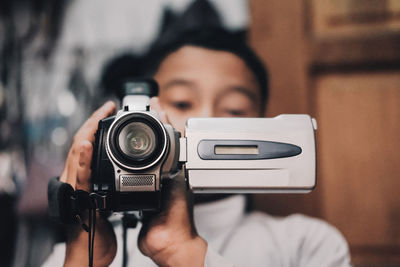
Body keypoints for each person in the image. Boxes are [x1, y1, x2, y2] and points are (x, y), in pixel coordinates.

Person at [43, 28, 351, 267]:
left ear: (263, 130)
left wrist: (182, 253)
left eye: (234, 109)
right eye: (181, 102)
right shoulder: (78, 253)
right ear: (134, 122)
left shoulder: (306, 245)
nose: (206, 119)